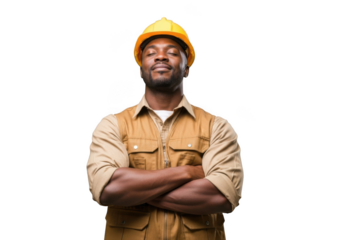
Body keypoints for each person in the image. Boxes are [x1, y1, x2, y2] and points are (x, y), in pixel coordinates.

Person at [86, 16, 244, 240]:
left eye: (171, 51)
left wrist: (135, 189)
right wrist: (190, 172)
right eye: (151, 53)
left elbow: (222, 197)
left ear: (186, 68)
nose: (161, 56)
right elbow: (108, 190)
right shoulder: (111, 125)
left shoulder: (217, 127)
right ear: (141, 70)